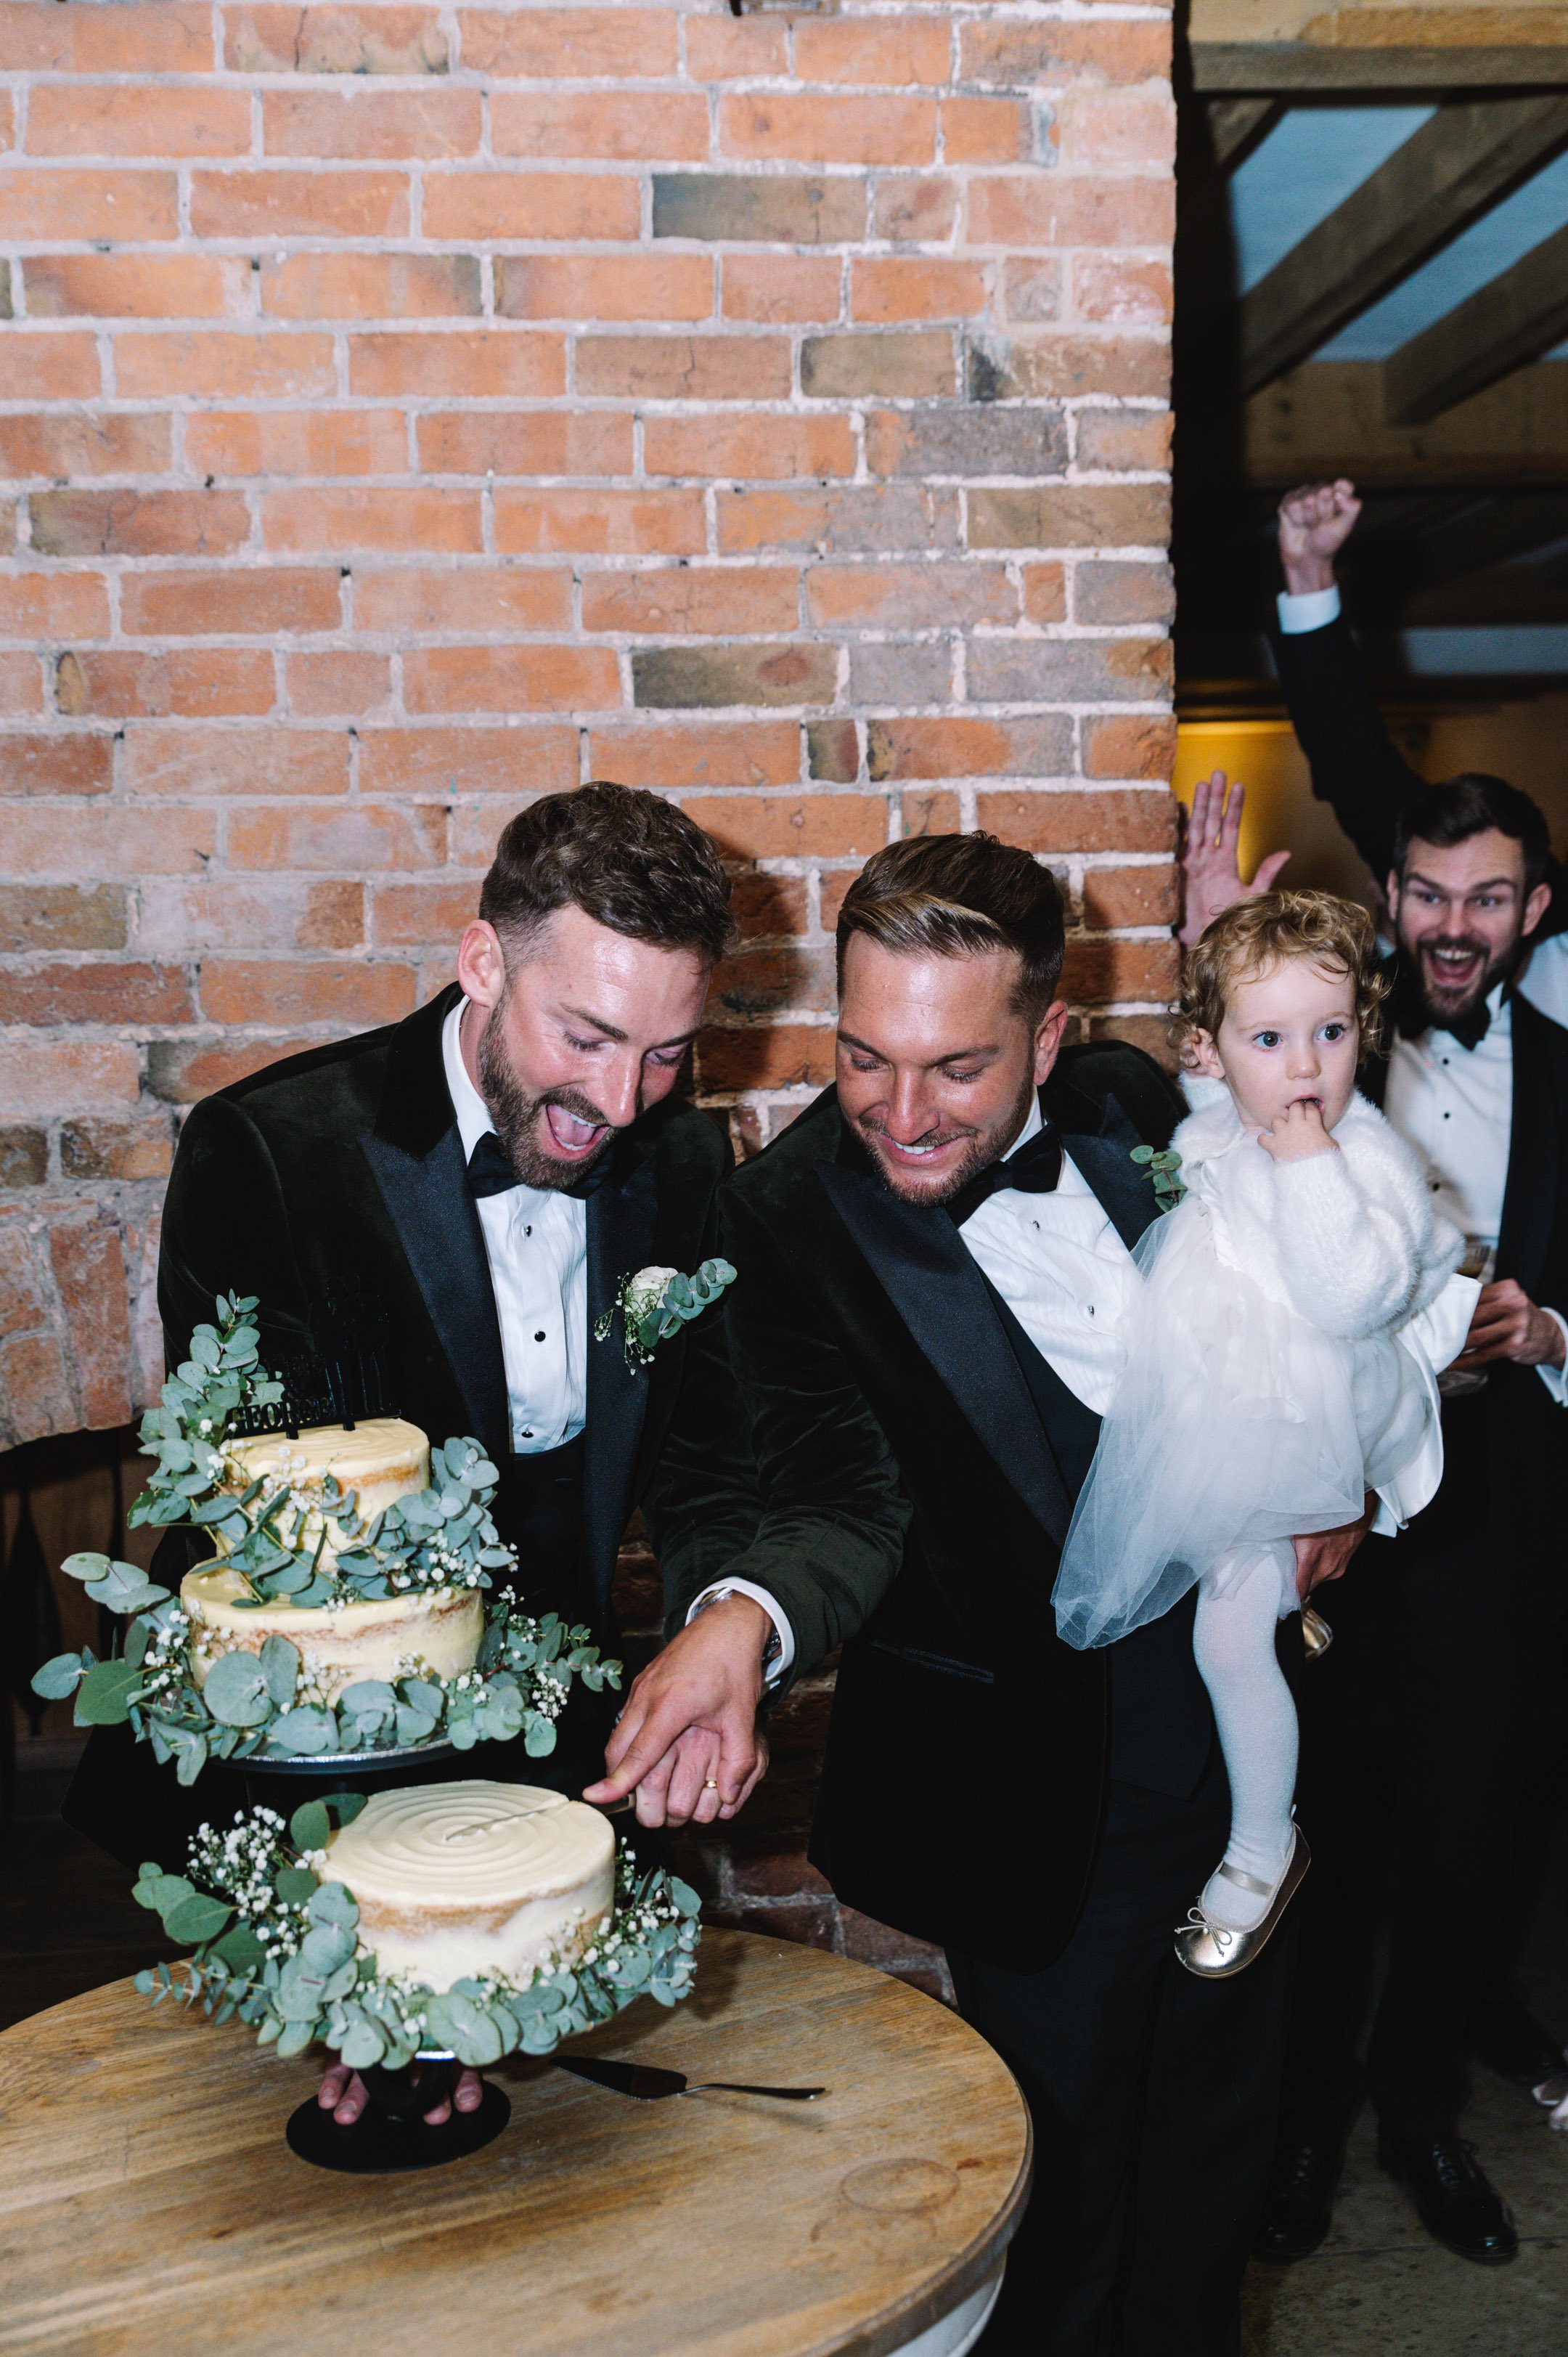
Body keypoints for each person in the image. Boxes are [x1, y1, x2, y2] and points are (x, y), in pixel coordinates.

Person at [588, 832, 1376, 2357]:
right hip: (1042, 1800)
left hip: (1258, 1754)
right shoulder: (783, 1220)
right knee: (1059, 2210)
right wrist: (738, 1622)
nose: (900, 1112)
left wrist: (1338, 1467)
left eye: (956, 1067)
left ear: (1051, 1035)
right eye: (864, 1057)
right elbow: (824, 1492)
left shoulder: (1142, 1107)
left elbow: (1319, 1271)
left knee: (1221, 2161)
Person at [66, 781, 762, 2123]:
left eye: (667, 1053)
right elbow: (293, 1585)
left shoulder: (683, 1163)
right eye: (587, 1036)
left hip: (556, 1785)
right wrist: (385, 1953)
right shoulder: (268, 1156)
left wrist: (722, 1623)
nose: (623, 1101)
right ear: (483, 961)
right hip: (300, 1795)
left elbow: (708, 1460)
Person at [1182, 501, 1568, 2264]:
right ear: (1391, 890)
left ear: (1533, 912)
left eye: (1488, 899)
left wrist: (1547, 1333)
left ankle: (1421, 2116)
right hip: (1324, 1496)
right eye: (1426, 891)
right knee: (1316, 1822)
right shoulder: (1327, 1026)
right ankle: (1292, 2143)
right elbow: (1203, 1151)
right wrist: (1310, 591)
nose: (1451, 925)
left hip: (1500, 1503)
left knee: (1471, 1832)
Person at [1055, 892, 1471, 1978]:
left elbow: (1350, 1294)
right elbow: (1221, 1094)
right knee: (1188, 1540)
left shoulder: (1358, 1155)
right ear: (1214, 1049)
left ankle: (1262, 1844)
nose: (1305, 1068)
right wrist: (1212, 984)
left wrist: (1308, 1165)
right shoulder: (1229, 1110)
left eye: (1331, 1032)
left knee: (1225, 1641)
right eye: (1269, 1040)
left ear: (1363, 1031)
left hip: (1313, 1410)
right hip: (1227, 1395)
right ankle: (1295, 1613)